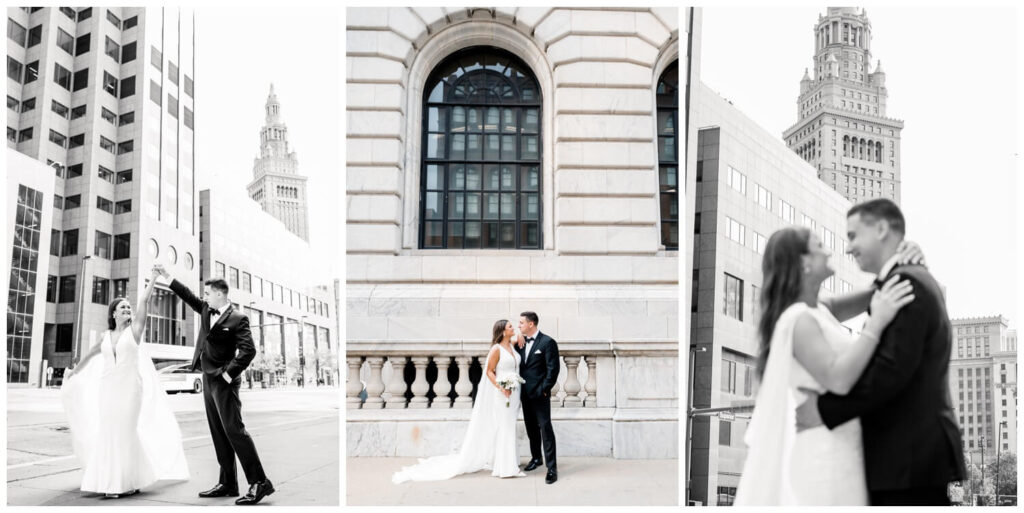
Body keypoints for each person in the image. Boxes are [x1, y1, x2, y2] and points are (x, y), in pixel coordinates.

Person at [734, 216, 926, 505]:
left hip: (843, 447)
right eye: (820, 245)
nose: (830, 251)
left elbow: (879, 292)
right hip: (823, 455)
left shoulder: (820, 310)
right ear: (804, 264)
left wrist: (906, 259)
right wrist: (876, 325)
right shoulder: (799, 321)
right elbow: (838, 378)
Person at [794, 199, 966, 505]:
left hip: (907, 460)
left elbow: (890, 371)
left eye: (853, 235)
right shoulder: (900, 282)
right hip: (902, 459)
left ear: (882, 229)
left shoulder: (905, 283)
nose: (848, 248)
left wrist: (823, 410)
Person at [62, 267, 189, 498]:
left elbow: (144, 300)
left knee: (125, 431)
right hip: (107, 390)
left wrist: (153, 279)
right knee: (110, 432)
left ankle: (122, 483)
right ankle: (130, 477)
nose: (127, 309)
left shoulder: (136, 331)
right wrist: (74, 372)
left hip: (130, 390)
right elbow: (90, 355)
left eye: (128, 307)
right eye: (123, 307)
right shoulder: (105, 337)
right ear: (113, 314)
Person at [156, 265, 274, 505]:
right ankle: (228, 482)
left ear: (220, 294)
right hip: (208, 379)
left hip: (224, 381)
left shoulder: (238, 318)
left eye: (208, 293)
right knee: (219, 433)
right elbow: (187, 294)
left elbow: (248, 350)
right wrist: (166, 276)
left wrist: (228, 375)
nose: (205, 297)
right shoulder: (205, 310)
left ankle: (260, 482)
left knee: (234, 431)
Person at [393, 319, 526, 483]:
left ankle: (507, 460)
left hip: (514, 393)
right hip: (503, 394)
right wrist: (501, 386)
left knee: (509, 426)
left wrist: (519, 334)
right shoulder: (496, 349)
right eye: (510, 326)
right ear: (503, 331)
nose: (513, 328)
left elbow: (518, 340)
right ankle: (506, 467)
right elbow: (490, 372)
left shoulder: (510, 345)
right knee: (504, 426)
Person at [515, 311, 560, 484]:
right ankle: (536, 458)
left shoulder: (547, 342)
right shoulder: (520, 342)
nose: (519, 326)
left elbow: (553, 370)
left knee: (545, 429)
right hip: (524, 394)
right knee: (531, 428)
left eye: (521, 323)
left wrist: (543, 389)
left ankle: (552, 468)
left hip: (540, 394)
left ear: (531, 324)